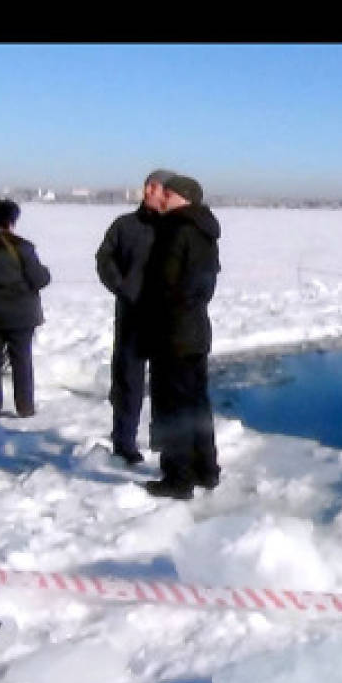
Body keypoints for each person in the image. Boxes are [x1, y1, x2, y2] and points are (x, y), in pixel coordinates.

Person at [138, 174, 221, 499]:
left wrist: (154, 312)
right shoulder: (204, 230)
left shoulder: (176, 229)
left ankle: (178, 477)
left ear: (182, 197)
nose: (163, 197)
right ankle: (206, 469)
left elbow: (166, 283)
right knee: (196, 403)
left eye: (168, 193)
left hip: (172, 331)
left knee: (174, 406)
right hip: (195, 329)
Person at [96, 168, 175, 464]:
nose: (149, 192)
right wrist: (123, 286)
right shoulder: (125, 225)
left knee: (166, 384)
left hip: (168, 319)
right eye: (148, 186)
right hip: (131, 316)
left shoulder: (177, 228)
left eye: (156, 187)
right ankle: (124, 442)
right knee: (128, 381)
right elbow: (104, 259)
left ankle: (165, 443)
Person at [0, 199, 51, 419]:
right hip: (21, 315)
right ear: (10, 222)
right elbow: (39, 279)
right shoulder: (22, 247)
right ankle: (25, 406)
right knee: (21, 360)